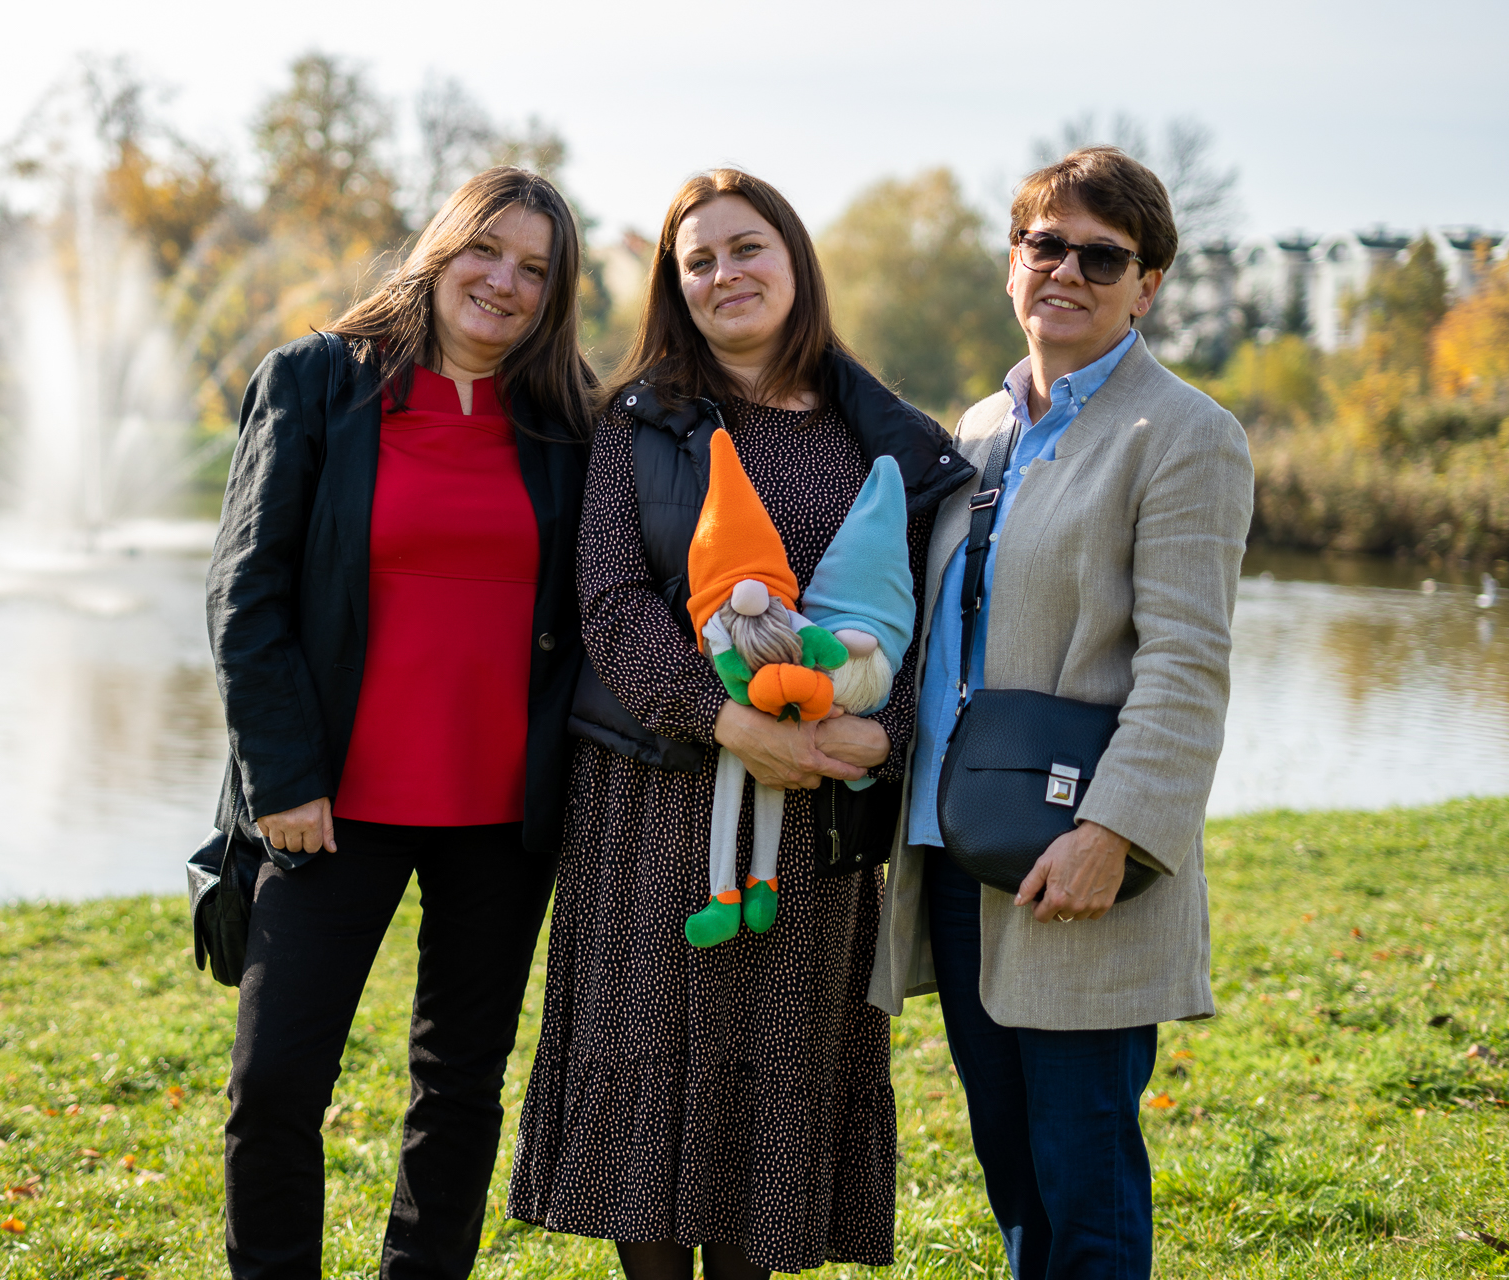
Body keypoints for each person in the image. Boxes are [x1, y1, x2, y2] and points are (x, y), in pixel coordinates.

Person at [508, 168, 973, 1278]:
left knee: (774, 1090)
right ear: (676, 288)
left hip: (816, 817)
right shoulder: (640, 423)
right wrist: (723, 718)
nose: (727, 274)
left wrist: (883, 732)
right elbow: (610, 601)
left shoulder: (887, 436)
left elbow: (923, 613)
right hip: (651, 801)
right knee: (649, 1086)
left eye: (747, 247)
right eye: (699, 259)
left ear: (795, 260)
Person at [870, 146, 1255, 1280]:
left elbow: (1189, 664)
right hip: (953, 851)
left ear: (1147, 287)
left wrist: (1117, 832)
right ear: (1013, 262)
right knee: (1014, 1174)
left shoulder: (1185, 436)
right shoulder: (979, 428)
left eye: (1104, 256)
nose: (1069, 272)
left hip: (1079, 857)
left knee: (1084, 1176)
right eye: (1048, 244)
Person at [206, 167, 593, 1280]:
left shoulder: (567, 424)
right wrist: (282, 778)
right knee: (276, 1079)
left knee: (461, 1084)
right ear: (441, 247)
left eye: (535, 269)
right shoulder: (319, 382)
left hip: (499, 818)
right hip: (328, 805)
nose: (505, 282)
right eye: (489, 251)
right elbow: (246, 595)